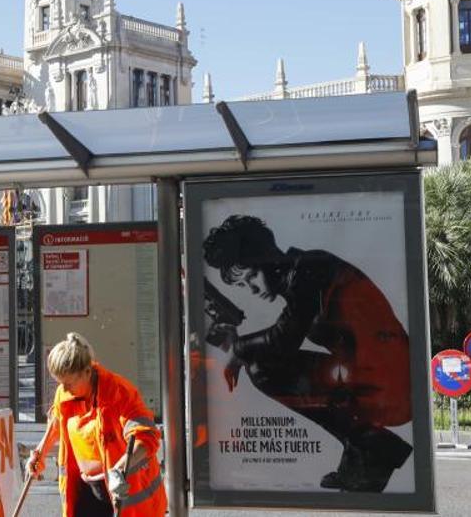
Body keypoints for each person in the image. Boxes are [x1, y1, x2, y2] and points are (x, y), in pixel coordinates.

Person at [201, 215, 413, 492]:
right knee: (263, 361)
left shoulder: (310, 268)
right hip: (379, 376)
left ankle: (372, 448)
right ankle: (367, 449)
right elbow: (283, 334)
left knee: (262, 367)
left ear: (267, 257)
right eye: (242, 285)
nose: (251, 289)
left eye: (252, 275)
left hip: (392, 386)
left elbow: (282, 340)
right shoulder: (302, 276)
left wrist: (238, 350)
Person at [26, 332, 166, 516]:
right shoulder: (65, 392)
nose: (64, 389)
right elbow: (57, 422)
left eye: (69, 383)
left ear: (87, 371)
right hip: (87, 490)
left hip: (122, 492)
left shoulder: (119, 393)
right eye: (60, 383)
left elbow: (146, 438)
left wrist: (119, 470)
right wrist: (39, 453)